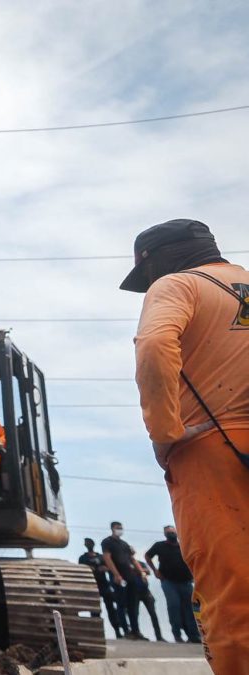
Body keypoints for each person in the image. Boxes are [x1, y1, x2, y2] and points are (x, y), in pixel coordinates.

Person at [123, 218, 249, 672]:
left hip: (216, 451)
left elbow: (156, 344)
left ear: (155, 260)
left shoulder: (178, 286)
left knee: (233, 591)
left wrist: (166, 430)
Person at [145, 526, 201, 644]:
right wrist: (155, 570)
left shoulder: (183, 546)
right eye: (168, 532)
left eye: (172, 532)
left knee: (190, 609)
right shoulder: (160, 546)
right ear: (165, 534)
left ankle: (193, 635)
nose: (171, 534)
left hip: (186, 582)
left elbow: (194, 559)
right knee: (174, 606)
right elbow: (147, 556)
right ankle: (177, 635)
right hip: (169, 581)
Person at [101, 521, 143, 640]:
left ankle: (136, 631)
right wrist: (116, 575)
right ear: (112, 529)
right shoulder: (107, 542)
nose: (120, 529)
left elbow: (132, 559)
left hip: (130, 577)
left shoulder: (124, 544)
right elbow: (107, 558)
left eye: (121, 527)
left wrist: (141, 573)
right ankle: (126, 630)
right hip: (119, 578)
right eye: (117, 528)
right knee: (121, 605)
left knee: (133, 605)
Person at [78, 538, 121, 637]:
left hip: (104, 585)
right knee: (95, 610)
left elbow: (108, 567)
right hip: (92, 585)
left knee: (111, 609)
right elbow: (81, 569)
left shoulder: (101, 557)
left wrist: (104, 568)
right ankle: (96, 633)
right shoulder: (83, 558)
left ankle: (117, 631)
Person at [131, 547, 164, 642]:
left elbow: (148, 571)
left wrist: (138, 570)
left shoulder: (139, 563)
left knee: (153, 614)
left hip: (145, 591)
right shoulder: (125, 564)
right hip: (134, 592)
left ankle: (159, 636)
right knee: (135, 613)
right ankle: (136, 633)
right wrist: (139, 571)